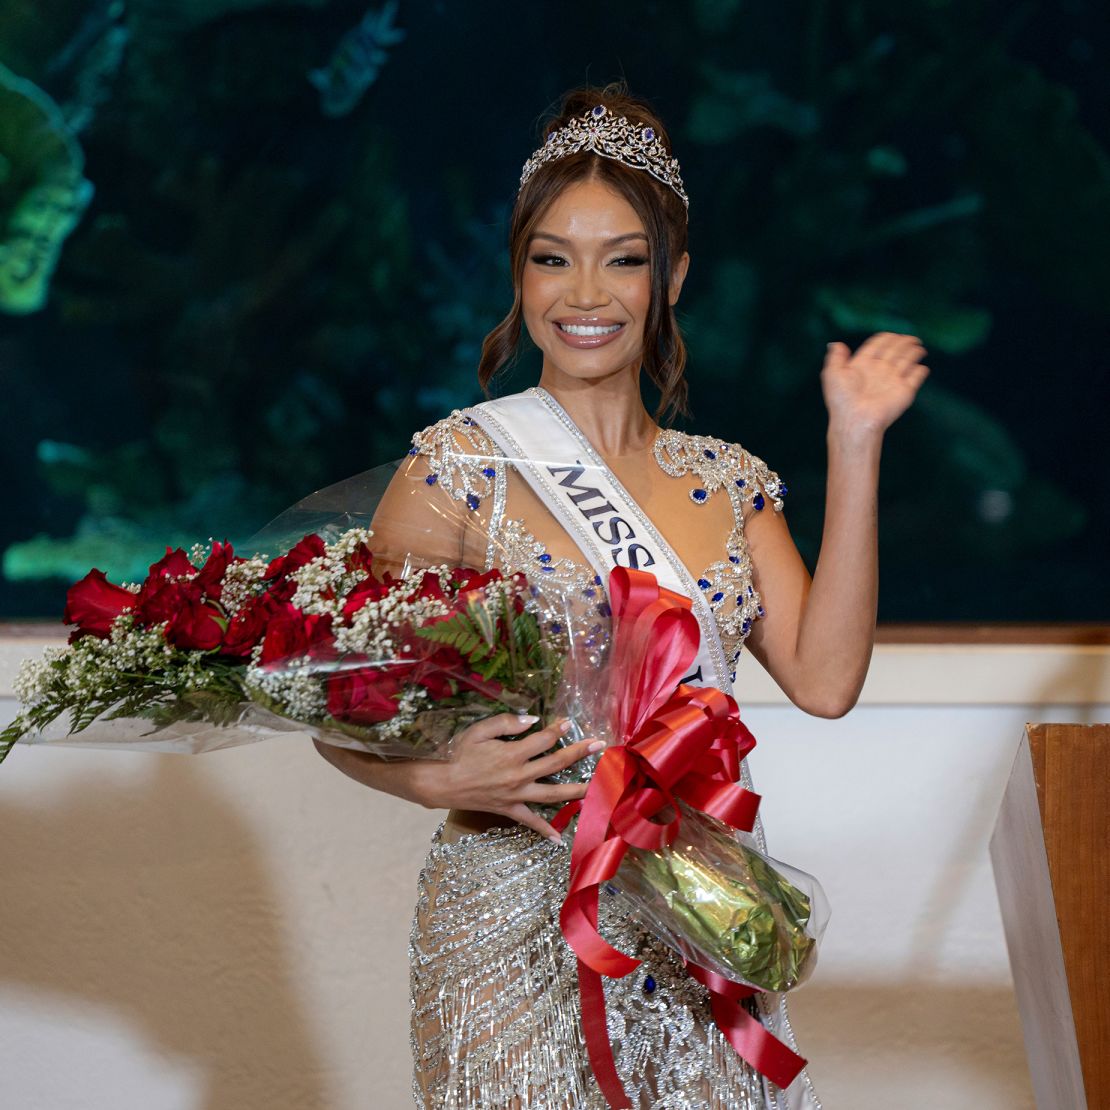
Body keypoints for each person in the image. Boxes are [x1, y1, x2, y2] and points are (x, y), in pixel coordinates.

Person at [314, 83, 927, 1109]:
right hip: (510, 912)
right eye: (552, 256)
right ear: (519, 273)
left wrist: (853, 446)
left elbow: (825, 680)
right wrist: (436, 778)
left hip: (699, 905)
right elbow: (341, 697)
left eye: (623, 258)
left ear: (672, 277)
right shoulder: (462, 466)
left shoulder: (726, 482)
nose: (583, 293)